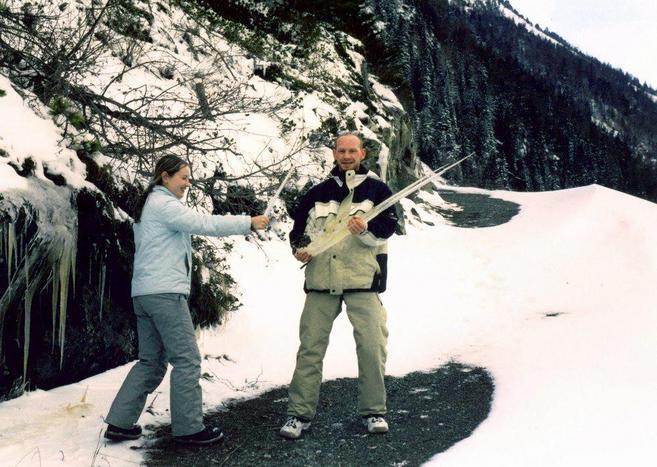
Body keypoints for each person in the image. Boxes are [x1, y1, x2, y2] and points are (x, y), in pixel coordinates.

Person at [104, 154, 268, 445]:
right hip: (164, 294)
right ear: (165, 177)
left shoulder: (149, 205)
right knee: (187, 360)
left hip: (144, 294)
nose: (188, 183)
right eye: (183, 177)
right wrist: (249, 223)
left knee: (152, 362)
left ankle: (119, 423)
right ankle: (189, 428)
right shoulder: (163, 204)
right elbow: (204, 223)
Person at [279, 133, 397, 439]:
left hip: (362, 279)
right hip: (321, 280)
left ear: (363, 153)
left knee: (372, 346)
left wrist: (366, 228)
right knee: (310, 349)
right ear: (334, 153)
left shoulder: (378, 189)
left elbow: (388, 229)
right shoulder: (318, 192)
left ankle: (374, 412)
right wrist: (301, 249)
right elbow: (298, 231)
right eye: (342, 150)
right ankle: (297, 415)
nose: (347, 155)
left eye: (352, 150)